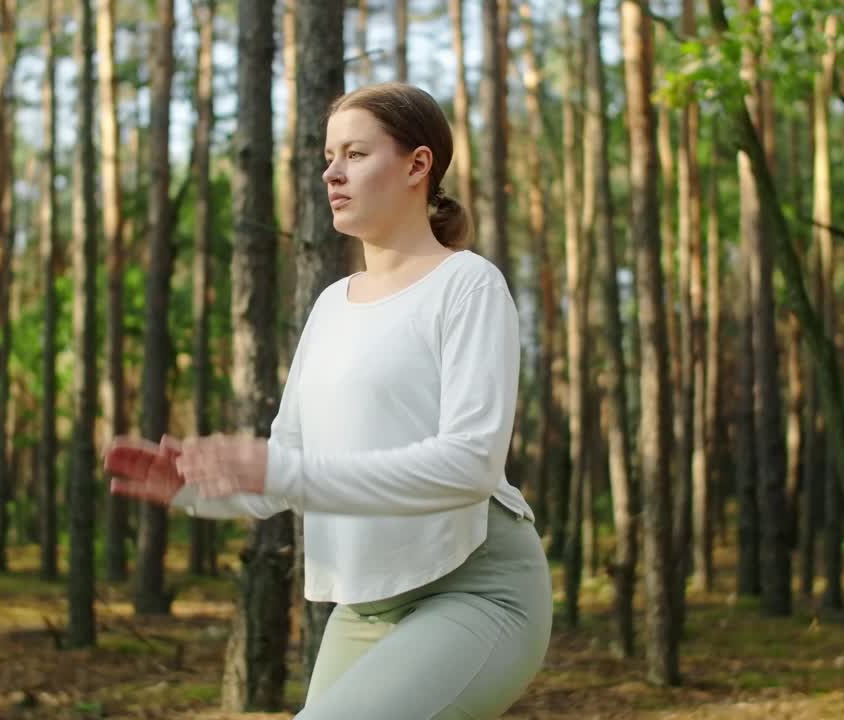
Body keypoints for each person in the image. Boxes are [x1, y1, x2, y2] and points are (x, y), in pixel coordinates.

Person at [104, 82, 551, 720]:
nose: (330, 172)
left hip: (477, 587)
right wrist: (195, 488)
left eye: (355, 154)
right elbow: (287, 466)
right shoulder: (330, 305)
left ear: (418, 166)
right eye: (328, 156)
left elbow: (471, 464)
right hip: (366, 603)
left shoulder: (467, 285)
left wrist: (281, 470)